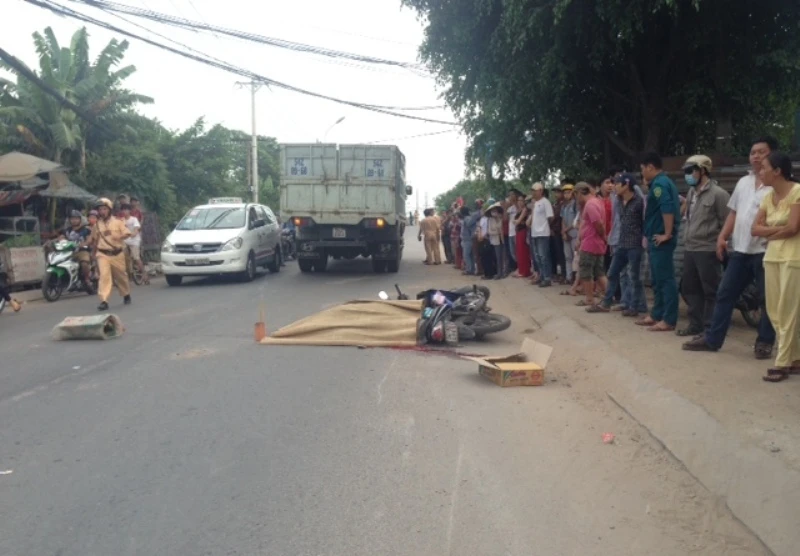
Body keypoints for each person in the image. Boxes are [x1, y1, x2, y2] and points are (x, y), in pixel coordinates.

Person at [683, 137, 777, 357]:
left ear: (772, 155)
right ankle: (712, 339)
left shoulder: (777, 185)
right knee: (725, 294)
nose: (755, 156)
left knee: (767, 300)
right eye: (752, 152)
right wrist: (722, 237)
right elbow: (733, 212)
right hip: (741, 250)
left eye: (761, 152)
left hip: (766, 251)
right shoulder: (743, 182)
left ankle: (764, 342)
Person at [750, 153, 800, 382]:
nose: (760, 172)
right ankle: (796, 357)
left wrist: (769, 232)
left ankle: (781, 362)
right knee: (774, 311)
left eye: (764, 168)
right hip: (772, 257)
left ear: (778, 171)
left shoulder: (797, 192)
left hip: (794, 257)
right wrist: (777, 232)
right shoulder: (768, 197)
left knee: (787, 310)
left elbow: (793, 228)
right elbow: (755, 229)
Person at [677, 155, 730, 337]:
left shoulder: (719, 194)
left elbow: (727, 223)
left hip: (707, 249)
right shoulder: (691, 193)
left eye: (690, 171)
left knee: (710, 290)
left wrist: (722, 246)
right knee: (690, 288)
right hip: (690, 248)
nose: (687, 175)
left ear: (703, 171)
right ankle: (695, 324)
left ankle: (710, 328)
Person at [589, 174, 647, 315]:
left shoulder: (639, 201)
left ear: (626, 185)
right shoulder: (618, 200)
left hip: (635, 245)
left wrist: (644, 240)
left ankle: (635, 306)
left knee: (634, 277)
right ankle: (607, 302)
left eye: (618, 184)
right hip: (621, 243)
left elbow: (645, 221)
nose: (614, 187)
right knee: (612, 273)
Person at [636, 152, 680, 332]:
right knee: (657, 279)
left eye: (643, 169)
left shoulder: (659, 184)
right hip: (655, 238)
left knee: (665, 279)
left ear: (650, 167)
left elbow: (667, 207)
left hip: (661, 239)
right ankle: (657, 314)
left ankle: (668, 319)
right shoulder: (661, 182)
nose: (642, 173)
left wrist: (667, 234)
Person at [91, 197, 132, 311]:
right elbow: (94, 240)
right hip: (102, 254)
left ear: (109, 210)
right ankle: (104, 300)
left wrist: (117, 236)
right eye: (100, 209)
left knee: (121, 276)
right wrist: (93, 254)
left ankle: (126, 293)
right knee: (104, 277)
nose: (102, 212)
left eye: (104, 209)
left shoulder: (118, 222)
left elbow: (127, 233)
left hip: (117, 253)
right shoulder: (96, 225)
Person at [574, 182, 608, 307]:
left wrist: (603, 236)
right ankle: (609, 296)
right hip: (596, 243)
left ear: (579, 193)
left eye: (575, 195)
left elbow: (598, 223)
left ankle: (589, 299)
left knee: (586, 272)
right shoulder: (597, 202)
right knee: (599, 272)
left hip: (590, 243)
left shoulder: (590, 204)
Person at [529, 182, 554, 287]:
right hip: (534, 233)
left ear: (541, 191)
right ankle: (542, 276)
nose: (533, 193)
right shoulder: (534, 203)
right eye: (532, 191)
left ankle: (547, 278)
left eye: (535, 191)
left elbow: (550, 217)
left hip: (543, 233)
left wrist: (545, 226)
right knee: (537, 257)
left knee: (544, 256)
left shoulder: (545, 202)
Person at [59, 209, 93, 285]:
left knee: (84, 263)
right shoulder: (67, 230)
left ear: (80, 219)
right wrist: (61, 240)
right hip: (69, 252)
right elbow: (61, 237)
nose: (74, 220)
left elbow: (89, 240)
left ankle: (87, 278)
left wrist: (84, 244)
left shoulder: (85, 230)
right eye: (72, 219)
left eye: (76, 218)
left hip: (82, 251)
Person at [121, 203, 149, 285]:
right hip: (125, 240)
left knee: (136, 257)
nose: (124, 211)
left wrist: (134, 233)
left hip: (134, 240)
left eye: (126, 209)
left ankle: (144, 274)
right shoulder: (121, 220)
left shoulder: (134, 219)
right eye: (123, 210)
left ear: (129, 211)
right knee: (122, 256)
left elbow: (137, 228)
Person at [560, 183, 578, 285]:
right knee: (568, 257)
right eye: (565, 193)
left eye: (568, 192)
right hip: (566, 234)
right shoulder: (564, 206)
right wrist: (563, 231)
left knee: (575, 258)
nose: (566, 195)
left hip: (574, 234)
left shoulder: (576, 205)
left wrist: (566, 230)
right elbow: (563, 219)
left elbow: (576, 221)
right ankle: (569, 276)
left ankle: (575, 279)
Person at [512, 196, 531, 278]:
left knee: (523, 251)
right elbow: (516, 221)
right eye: (518, 200)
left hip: (523, 231)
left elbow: (517, 221)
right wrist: (516, 221)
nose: (520, 202)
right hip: (518, 231)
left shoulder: (525, 210)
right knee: (519, 251)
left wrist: (516, 221)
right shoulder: (519, 210)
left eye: (521, 200)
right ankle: (520, 270)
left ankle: (525, 271)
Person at [550, 185, 566, 283]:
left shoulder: (563, 204)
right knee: (557, 254)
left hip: (561, 230)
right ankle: (560, 274)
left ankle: (564, 274)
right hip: (555, 231)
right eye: (555, 192)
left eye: (558, 192)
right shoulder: (555, 204)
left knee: (562, 254)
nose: (556, 194)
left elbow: (555, 216)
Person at [486, 203, 506, 279]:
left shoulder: (500, 219)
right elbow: (489, 231)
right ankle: (499, 273)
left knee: (503, 257)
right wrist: (497, 232)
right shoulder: (490, 220)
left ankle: (503, 272)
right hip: (495, 241)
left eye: (495, 211)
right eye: (492, 211)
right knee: (498, 257)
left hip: (502, 239)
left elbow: (502, 228)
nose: (494, 212)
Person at [460, 206, 478, 275]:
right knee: (470, 255)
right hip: (468, 239)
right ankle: (472, 269)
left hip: (468, 239)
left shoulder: (467, 218)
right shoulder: (467, 218)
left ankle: (469, 269)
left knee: (466, 255)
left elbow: (468, 224)